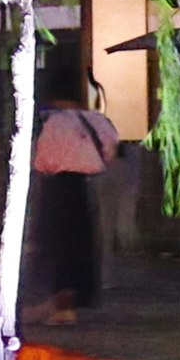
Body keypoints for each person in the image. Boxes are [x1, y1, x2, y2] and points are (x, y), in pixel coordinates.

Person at [29, 68, 118, 324]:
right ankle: (75, 299)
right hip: (89, 184)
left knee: (57, 245)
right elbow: (112, 147)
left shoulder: (50, 121)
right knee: (83, 244)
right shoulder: (96, 120)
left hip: (57, 186)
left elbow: (39, 157)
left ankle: (62, 306)